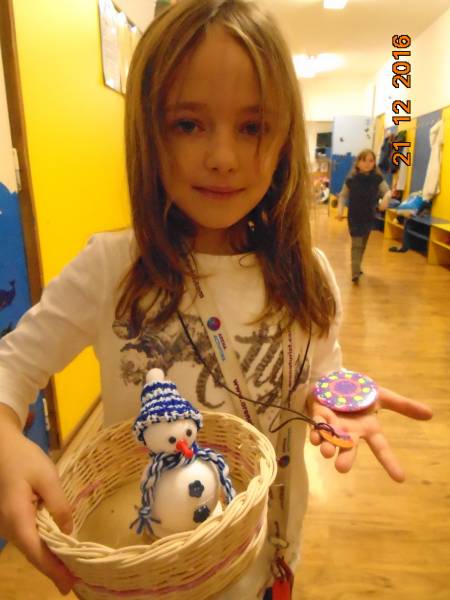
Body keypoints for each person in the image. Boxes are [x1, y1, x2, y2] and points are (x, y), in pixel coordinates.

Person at [0, 1, 432, 599]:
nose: (224, 158)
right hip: (146, 577)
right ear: (149, 133)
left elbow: (315, 377)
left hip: (265, 562)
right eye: (188, 124)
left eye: (252, 127)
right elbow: (13, 367)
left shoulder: (309, 275)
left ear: (283, 140)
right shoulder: (112, 269)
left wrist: (333, 401)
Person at [337, 149, 392, 282]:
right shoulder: (351, 179)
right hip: (354, 217)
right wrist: (340, 210)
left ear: (374, 163)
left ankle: (358, 265)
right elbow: (343, 195)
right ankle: (355, 271)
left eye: (371, 161)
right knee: (356, 244)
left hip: (369, 217)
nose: (367, 163)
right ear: (357, 162)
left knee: (363, 244)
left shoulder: (377, 179)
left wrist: (385, 199)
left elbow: (387, 191)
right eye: (364, 160)